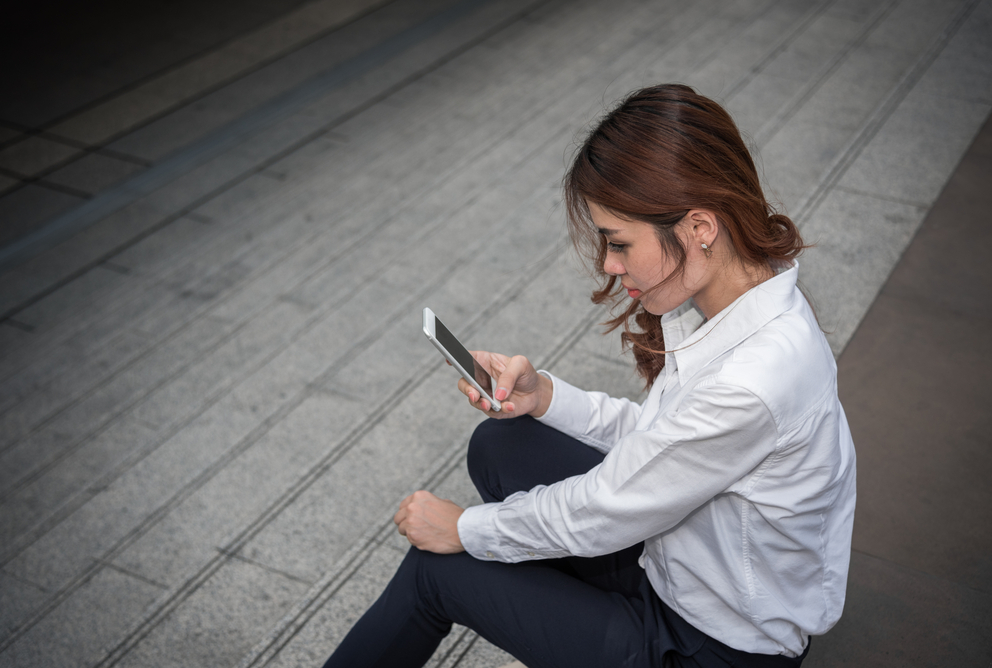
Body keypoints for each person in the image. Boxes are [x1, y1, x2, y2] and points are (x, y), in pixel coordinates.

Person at [321, 83, 856, 668]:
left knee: (437, 571)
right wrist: (545, 397)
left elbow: (606, 507)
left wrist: (467, 530)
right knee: (502, 445)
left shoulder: (753, 380)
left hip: (711, 647)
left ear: (700, 227)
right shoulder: (743, 295)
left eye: (619, 243)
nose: (608, 263)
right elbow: (664, 443)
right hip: (684, 567)